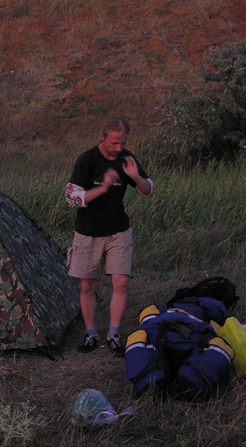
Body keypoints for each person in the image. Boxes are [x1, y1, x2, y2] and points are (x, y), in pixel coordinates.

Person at [65, 117, 155, 356]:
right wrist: (102, 188)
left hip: (118, 230)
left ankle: (114, 336)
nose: (118, 148)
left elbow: (149, 190)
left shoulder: (127, 158)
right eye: (114, 143)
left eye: (122, 143)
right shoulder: (87, 160)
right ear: (102, 137)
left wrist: (135, 177)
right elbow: (72, 198)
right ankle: (91, 334)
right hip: (88, 232)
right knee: (87, 284)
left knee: (121, 282)